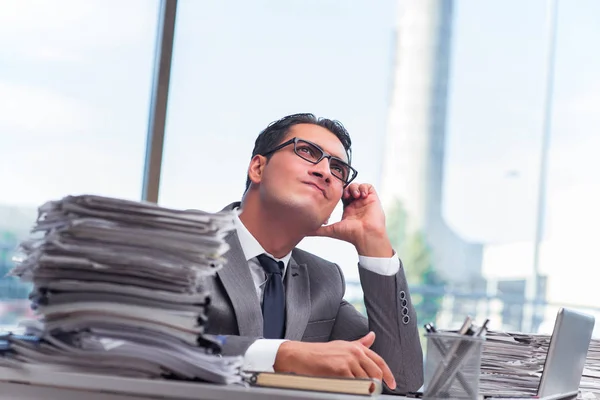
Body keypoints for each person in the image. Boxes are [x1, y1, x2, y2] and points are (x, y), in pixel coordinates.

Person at [203, 113, 423, 393]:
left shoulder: (324, 280)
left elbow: (401, 377)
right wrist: (283, 354)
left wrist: (374, 243)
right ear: (258, 168)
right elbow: (146, 342)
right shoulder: (181, 243)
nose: (325, 172)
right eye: (306, 151)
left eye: (339, 169)